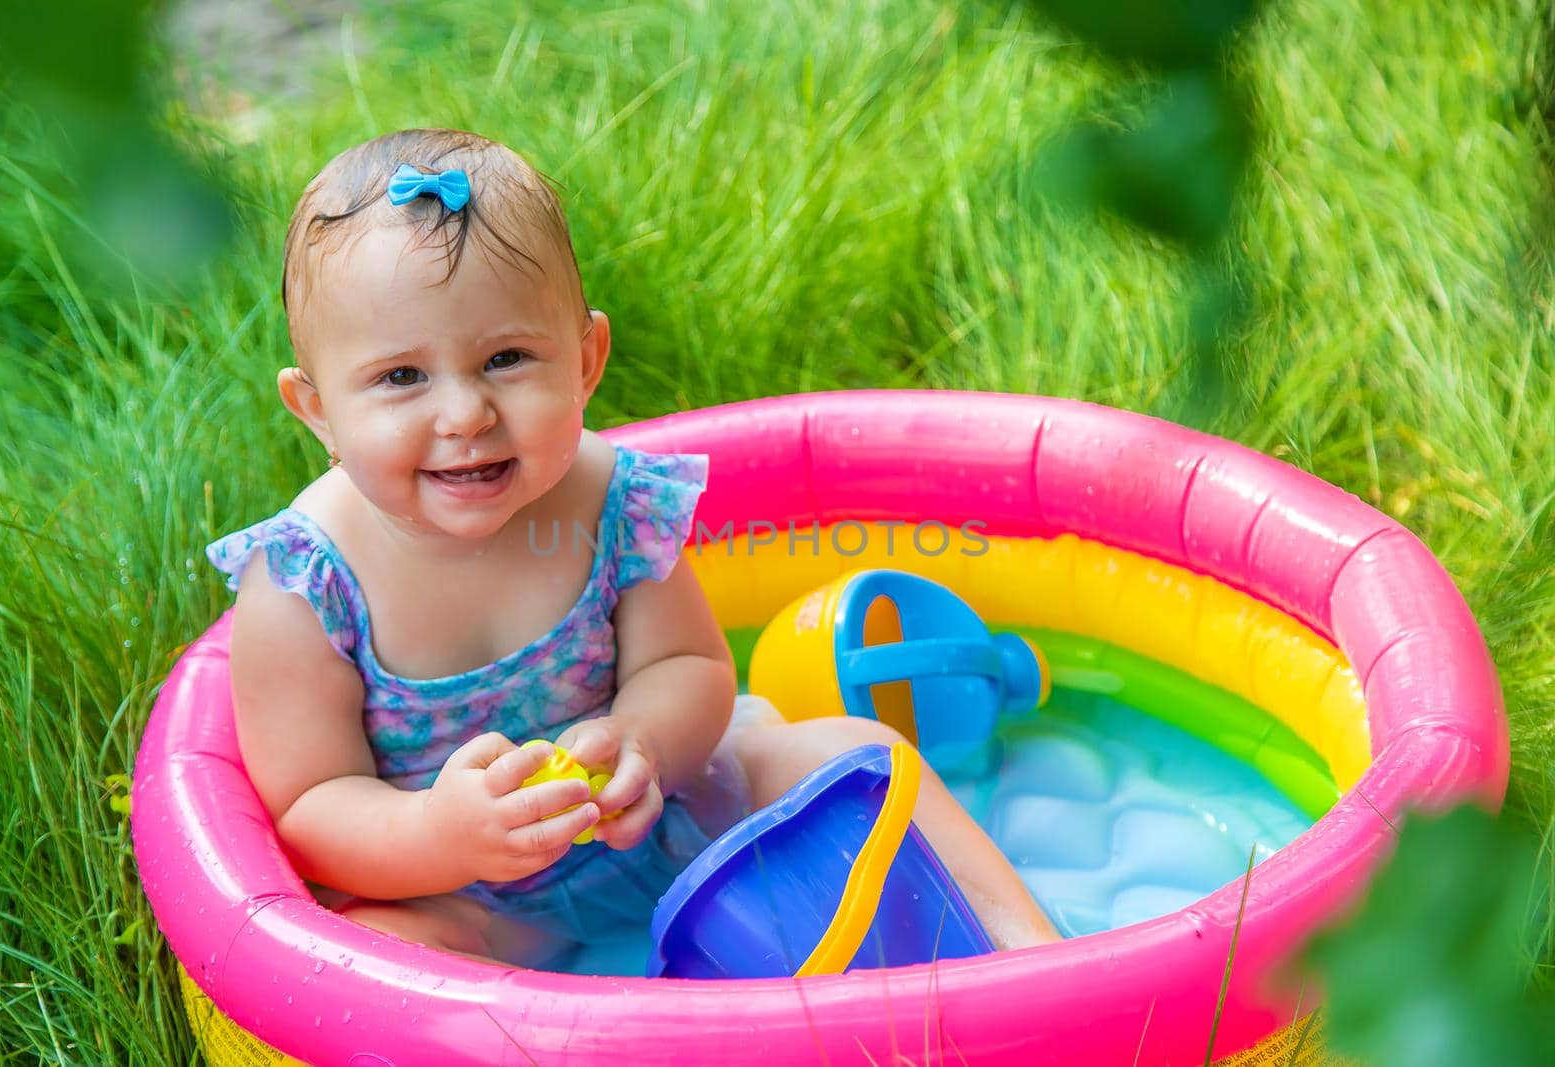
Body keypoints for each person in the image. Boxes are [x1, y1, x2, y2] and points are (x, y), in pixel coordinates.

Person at [209, 127, 1058, 967]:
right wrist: (440, 835)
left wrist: (644, 743)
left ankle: (1034, 955)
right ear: (316, 409)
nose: (465, 414)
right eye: (401, 377)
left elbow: (691, 665)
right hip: (468, 897)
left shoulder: (611, 500)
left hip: (670, 813)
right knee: (378, 956)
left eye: (506, 358)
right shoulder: (305, 583)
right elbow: (309, 806)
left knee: (857, 753)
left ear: (585, 361)